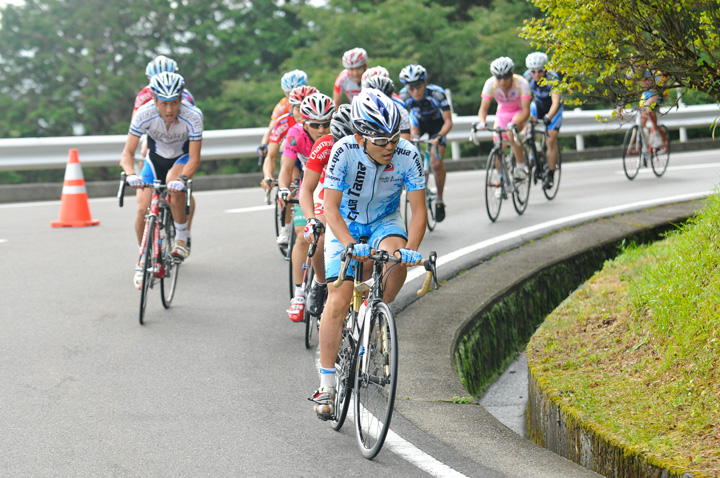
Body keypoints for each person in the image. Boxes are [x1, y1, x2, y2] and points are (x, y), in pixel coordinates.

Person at [309, 89, 427, 420]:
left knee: (396, 260)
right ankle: (328, 383)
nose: (390, 146)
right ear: (360, 136)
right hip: (344, 221)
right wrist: (348, 243)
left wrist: (411, 251)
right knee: (339, 295)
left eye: (393, 138)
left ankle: (376, 313)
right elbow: (329, 207)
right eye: (381, 141)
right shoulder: (342, 151)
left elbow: (418, 212)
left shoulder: (408, 154)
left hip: (384, 222)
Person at [120, 72, 203, 289]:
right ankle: (144, 258)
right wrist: (130, 174)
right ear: (154, 99)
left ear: (181, 98)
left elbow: (194, 158)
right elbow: (127, 153)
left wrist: (184, 178)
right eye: (164, 103)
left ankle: (181, 238)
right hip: (154, 160)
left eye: (174, 103)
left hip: (180, 159)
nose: (169, 109)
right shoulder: (143, 114)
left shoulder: (193, 116)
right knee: (141, 210)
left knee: (174, 188)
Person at [277, 93, 335, 322]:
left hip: (333, 187)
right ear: (304, 123)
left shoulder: (338, 134)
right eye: (315, 125)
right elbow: (285, 167)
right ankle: (299, 293)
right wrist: (283, 188)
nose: (321, 130)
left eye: (326, 124)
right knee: (304, 236)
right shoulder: (295, 135)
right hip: (309, 187)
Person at [299, 104, 354, 317]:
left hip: (355, 194)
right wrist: (311, 219)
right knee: (319, 237)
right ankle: (320, 283)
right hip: (327, 191)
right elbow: (307, 188)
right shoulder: (324, 145)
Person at [398, 64, 452, 222]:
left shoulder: (437, 94)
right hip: (418, 122)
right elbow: (402, 120)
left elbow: (448, 121)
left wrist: (440, 136)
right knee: (411, 138)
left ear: (425, 83)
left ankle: (440, 200)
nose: (415, 91)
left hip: (438, 124)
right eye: (411, 87)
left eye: (418, 86)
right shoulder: (403, 96)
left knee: (436, 164)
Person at [269, 85, 319, 246]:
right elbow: (273, 157)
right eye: (298, 108)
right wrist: (277, 183)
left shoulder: (322, 126)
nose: (302, 112)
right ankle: (286, 225)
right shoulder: (287, 124)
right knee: (292, 178)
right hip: (298, 156)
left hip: (316, 161)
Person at [476, 57, 532, 192]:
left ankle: (520, 166)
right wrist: (482, 122)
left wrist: (516, 123)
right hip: (502, 113)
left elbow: (526, 110)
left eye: (506, 77)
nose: (502, 81)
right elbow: (483, 109)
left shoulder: (522, 83)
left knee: (511, 133)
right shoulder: (490, 84)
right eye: (498, 77)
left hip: (518, 111)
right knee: (498, 145)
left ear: (512, 74)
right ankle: (502, 179)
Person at [523, 52, 563, 189]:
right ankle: (535, 155)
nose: (536, 74)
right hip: (538, 104)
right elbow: (525, 100)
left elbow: (556, 102)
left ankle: (550, 174)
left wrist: (548, 117)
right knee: (528, 128)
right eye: (533, 71)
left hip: (553, 108)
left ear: (545, 69)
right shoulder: (526, 78)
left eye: (540, 71)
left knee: (550, 139)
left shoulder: (552, 78)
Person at [257, 69, 308, 168]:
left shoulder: (314, 101)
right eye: (288, 93)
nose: (291, 97)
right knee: (285, 150)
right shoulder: (282, 105)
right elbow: (271, 129)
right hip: (293, 135)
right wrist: (263, 144)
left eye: (295, 92)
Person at [361, 72, 411, 141]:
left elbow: (405, 143)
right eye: (375, 99)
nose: (380, 104)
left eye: (385, 98)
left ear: (391, 96)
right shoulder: (360, 111)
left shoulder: (401, 112)